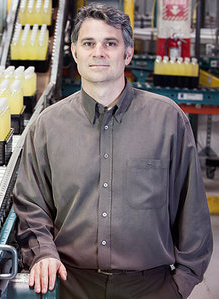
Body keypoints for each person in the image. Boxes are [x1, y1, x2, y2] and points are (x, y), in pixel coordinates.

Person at [13, 3, 213, 299]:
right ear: (74, 52)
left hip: (151, 287)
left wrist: (179, 285)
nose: (99, 52)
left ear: (127, 53)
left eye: (110, 43)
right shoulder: (48, 126)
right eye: (88, 43)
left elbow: (193, 210)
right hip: (71, 285)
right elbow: (31, 203)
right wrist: (43, 253)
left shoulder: (168, 120)